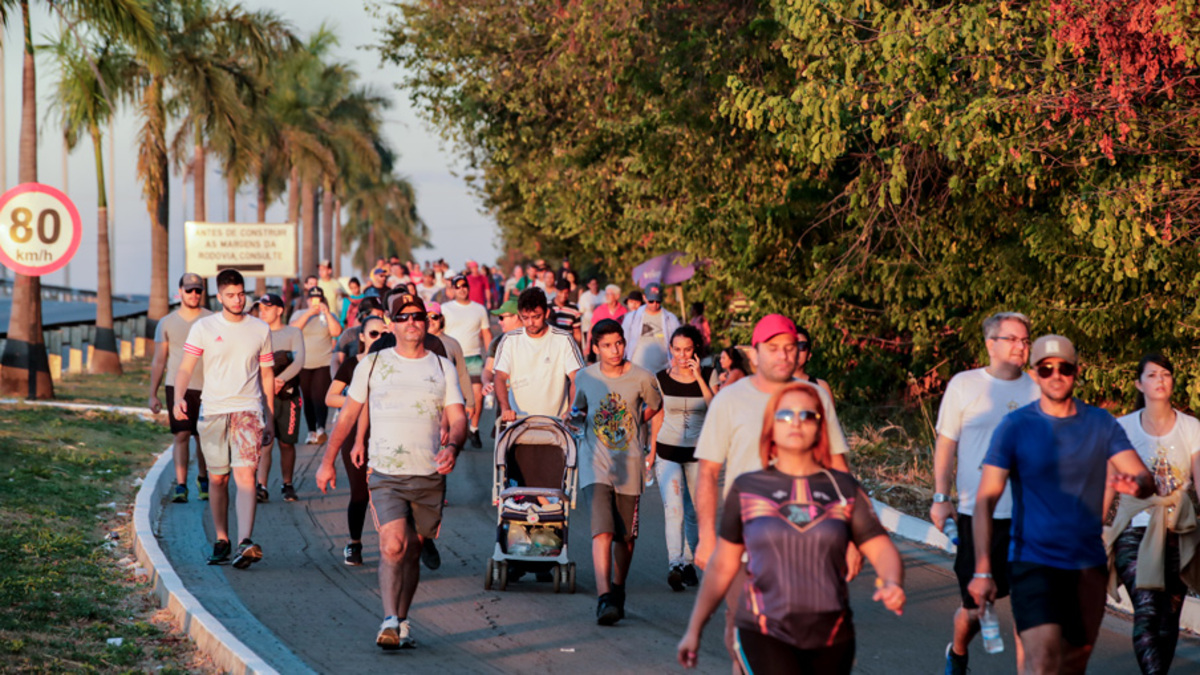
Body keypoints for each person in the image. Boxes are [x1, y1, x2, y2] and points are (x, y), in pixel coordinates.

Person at [677, 383, 906, 674]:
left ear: (820, 426)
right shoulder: (747, 489)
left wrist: (891, 582)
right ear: (771, 427)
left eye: (806, 415)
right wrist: (694, 628)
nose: (795, 422)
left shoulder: (843, 488)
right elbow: (723, 564)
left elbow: (881, 547)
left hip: (832, 635)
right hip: (763, 630)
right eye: (785, 415)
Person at [968, 334, 1153, 675]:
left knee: (1071, 666)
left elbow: (1144, 479)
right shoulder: (1015, 426)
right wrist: (982, 569)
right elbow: (984, 501)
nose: (1056, 374)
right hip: (1033, 562)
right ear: (1035, 373)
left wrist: (1136, 485)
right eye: (1046, 368)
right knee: (1041, 663)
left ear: (1076, 372)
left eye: (1064, 368)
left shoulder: (1100, 423)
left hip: (1086, 566)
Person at [694, 314, 853, 668]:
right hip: (745, 544)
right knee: (745, 634)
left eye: (790, 347)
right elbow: (707, 473)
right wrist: (706, 536)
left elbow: (839, 470)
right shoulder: (729, 400)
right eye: (773, 348)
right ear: (754, 354)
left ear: (799, 352)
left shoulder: (815, 399)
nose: (783, 355)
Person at [315, 293, 467, 650]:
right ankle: (387, 618)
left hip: (429, 474)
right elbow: (348, 415)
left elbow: (459, 417)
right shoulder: (373, 363)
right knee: (392, 544)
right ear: (392, 324)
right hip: (385, 473)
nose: (411, 322)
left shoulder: (441, 366)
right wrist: (327, 461)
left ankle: (401, 619)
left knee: (413, 550)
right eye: (403, 317)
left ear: (426, 322)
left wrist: (452, 445)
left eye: (418, 316)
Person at [931, 312, 1040, 675]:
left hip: (1027, 516)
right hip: (976, 513)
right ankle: (958, 652)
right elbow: (946, 444)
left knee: (1029, 610)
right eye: (1012, 339)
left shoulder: (1037, 388)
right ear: (990, 344)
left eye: (1025, 340)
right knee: (978, 607)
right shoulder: (964, 385)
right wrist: (939, 497)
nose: (1020, 347)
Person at [1105, 354, 1200, 674]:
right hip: (1135, 529)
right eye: (1152, 375)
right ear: (1139, 383)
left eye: (1166, 374)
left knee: (1168, 617)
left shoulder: (1192, 428)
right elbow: (1108, 484)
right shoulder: (1121, 427)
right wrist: (1092, 531)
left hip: (1179, 531)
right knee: (1146, 610)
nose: (1160, 380)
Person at [173, 269, 275, 569]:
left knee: (246, 476)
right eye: (231, 295)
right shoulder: (204, 327)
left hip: (248, 410)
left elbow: (267, 374)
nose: (238, 299)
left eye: (241, 293)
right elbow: (184, 367)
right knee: (218, 478)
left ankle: (245, 541)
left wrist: (269, 417)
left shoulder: (260, 328)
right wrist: (179, 397)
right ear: (220, 297)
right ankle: (222, 539)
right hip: (213, 410)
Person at [568, 319, 663, 625]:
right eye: (607, 345)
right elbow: (578, 410)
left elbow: (654, 406)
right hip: (594, 464)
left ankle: (618, 588)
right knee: (602, 531)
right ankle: (604, 597)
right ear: (595, 348)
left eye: (619, 343)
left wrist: (636, 423)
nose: (615, 350)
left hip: (630, 464)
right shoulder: (585, 377)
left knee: (625, 537)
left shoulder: (643, 377)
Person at [648, 324, 712, 591]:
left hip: (697, 454)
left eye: (687, 349)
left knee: (693, 511)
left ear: (695, 350)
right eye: (677, 349)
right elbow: (657, 416)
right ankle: (674, 564)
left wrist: (698, 378)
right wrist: (650, 454)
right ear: (670, 350)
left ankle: (688, 563)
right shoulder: (660, 378)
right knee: (673, 508)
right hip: (668, 452)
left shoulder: (708, 374)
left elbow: (715, 407)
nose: (682, 355)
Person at [324, 315, 388, 566]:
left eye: (383, 334)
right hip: (353, 435)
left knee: (388, 492)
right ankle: (354, 543)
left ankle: (392, 543)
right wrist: (359, 403)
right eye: (373, 334)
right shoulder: (353, 364)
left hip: (386, 433)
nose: (379, 339)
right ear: (361, 337)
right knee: (359, 492)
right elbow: (331, 397)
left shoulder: (393, 365)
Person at [148, 272, 212, 503]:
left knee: (203, 437)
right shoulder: (166, 322)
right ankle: (181, 485)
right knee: (182, 434)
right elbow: (159, 360)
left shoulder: (212, 320)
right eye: (189, 290)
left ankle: (203, 479)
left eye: (198, 290)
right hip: (177, 386)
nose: (194, 294)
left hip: (207, 386)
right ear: (180, 292)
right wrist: (152, 394)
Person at [494, 287, 584, 422]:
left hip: (556, 424)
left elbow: (577, 378)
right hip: (518, 422)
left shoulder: (563, 339)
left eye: (536, 317)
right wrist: (505, 408)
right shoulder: (509, 340)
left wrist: (570, 410)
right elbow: (500, 376)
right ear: (519, 315)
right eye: (525, 318)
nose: (531, 323)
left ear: (547, 313)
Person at [254, 294, 306, 504]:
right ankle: (261, 485)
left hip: (287, 396)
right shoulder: (256, 333)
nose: (263, 312)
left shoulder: (293, 332)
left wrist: (279, 380)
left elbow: (299, 360)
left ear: (279, 310)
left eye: (267, 307)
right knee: (265, 442)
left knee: (286, 443)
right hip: (263, 397)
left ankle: (287, 483)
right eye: (260, 308)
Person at [441, 274, 492, 447]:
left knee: (477, 395)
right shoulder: (446, 309)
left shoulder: (479, 309)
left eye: (465, 286)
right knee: (453, 396)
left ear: (468, 288)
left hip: (474, 357)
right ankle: (452, 432)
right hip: (451, 358)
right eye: (458, 286)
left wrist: (490, 358)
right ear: (452, 289)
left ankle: (474, 429)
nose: (462, 289)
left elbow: (486, 334)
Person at [290, 287, 342, 445]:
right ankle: (311, 431)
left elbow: (336, 331)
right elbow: (292, 329)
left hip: (323, 362)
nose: (315, 302)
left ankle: (320, 428)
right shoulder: (300, 314)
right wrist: (308, 314)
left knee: (320, 395)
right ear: (307, 300)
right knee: (308, 398)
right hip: (304, 363)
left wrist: (326, 313)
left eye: (318, 299)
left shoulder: (328, 316)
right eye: (312, 299)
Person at [622, 282, 680, 375]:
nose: (654, 304)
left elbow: (678, 343)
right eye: (651, 301)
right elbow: (624, 341)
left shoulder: (670, 319)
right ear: (644, 298)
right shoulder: (632, 317)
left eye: (658, 301)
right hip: (637, 368)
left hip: (663, 369)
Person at [481, 299, 523, 417]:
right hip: (504, 399)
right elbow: (488, 369)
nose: (499, 322)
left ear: (515, 317)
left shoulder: (530, 340)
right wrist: (486, 383)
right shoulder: (497, 341)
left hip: (526, 400)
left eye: (502, 318)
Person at [794, 326, 833, 399]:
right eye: (792, 345)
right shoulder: (770, 387)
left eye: (802, 346)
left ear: (809, 355)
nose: (797, 350)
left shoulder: (821, 387)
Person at [548, 278, 583, 344]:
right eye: (561, 292)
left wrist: (577, 348)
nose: (563, 295)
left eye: (566, 293)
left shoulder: (574, 309)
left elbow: (577, 332)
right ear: (556, 290)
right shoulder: (547, 306)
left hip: (567, 344)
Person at [578, 278, 601, 345]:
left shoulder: (604, 294)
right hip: (588, 326)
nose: (595, 286)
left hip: (602, 326)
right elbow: (581, 311)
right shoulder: (584, 296)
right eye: (593, 284)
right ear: (588, 285)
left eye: (596, 284)